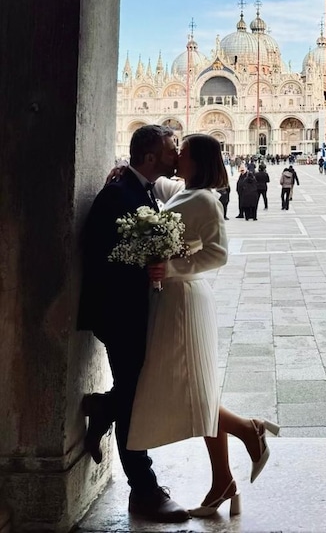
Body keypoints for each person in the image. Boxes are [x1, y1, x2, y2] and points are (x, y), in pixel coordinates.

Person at [126, 134, 278, 517]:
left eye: (184, 151)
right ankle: (223, 478)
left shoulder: (206, 199)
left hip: (184, 299)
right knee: (196, 387)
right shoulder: (181, 189)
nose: (177, 155)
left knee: (192, 389)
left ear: (198, 160)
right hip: (170, 298)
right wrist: (126, 172)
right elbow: (155, 181)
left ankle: (247, 431)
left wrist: (171, 266)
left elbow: (218, 253)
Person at [77, 125, 189, 521]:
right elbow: (107, 258)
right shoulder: (120, 194)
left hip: (129, 311)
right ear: (150, 157)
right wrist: (152, 264)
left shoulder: (135, 187)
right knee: (135, 398)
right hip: (118, 313)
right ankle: (143, 489)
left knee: (131, 391)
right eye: (171, 148)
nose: (177, 153)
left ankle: (103, 407)